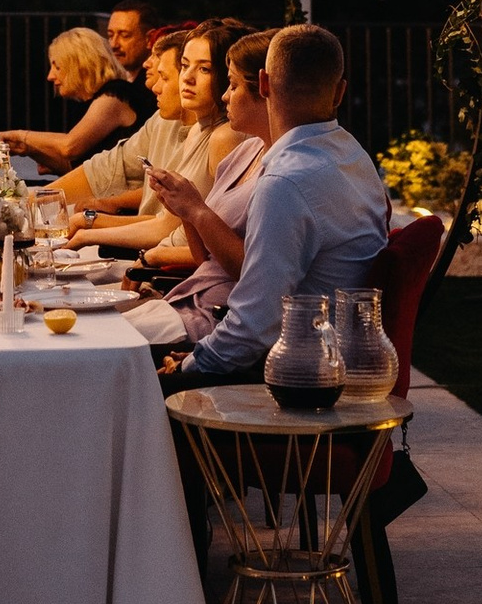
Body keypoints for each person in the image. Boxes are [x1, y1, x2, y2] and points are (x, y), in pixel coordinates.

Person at [158, 25, 388, 388]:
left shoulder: (285, 182)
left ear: (264, 84)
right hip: (332, 359)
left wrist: (187, 367)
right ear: (340, 91)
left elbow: (254, 326)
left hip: (296, 378)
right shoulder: (354, 157)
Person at [135, 28, 274, 343]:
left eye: (232, 85)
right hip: (188, 297)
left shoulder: (282, 171)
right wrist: (185, 209)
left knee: (87, 336)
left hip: (216, 318)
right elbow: (207, 258)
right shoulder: (244, 153)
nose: (225, 95)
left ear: (265, 88)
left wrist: (195, 210)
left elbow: (256, 276)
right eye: (184, 66)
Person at [67, 22, 243, 258]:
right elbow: (166, 225)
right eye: (185, 66)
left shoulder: (225, 137)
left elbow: (225, 251)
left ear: (227, 76)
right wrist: (85, 231)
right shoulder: (196, 130)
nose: (187, 78)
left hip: (175, 270)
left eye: (204, 69)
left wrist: (150, 259)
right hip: (160, 259)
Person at [0, 27, 151, 173]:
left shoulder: (115, 95)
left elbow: (69, 147)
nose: (50, 76)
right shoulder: (90, 103)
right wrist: (28, 149)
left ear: (80, 65)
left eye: (57, 67)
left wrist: (22, 136)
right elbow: (76, 168)